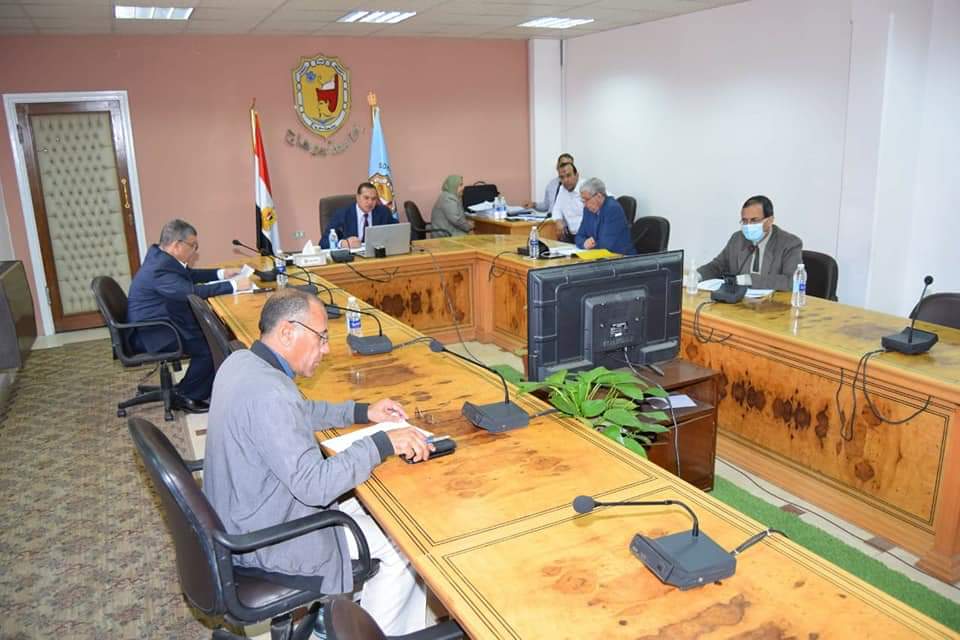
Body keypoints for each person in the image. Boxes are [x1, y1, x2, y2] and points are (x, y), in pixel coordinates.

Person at [203, 289, 432, 635]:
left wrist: (361, 412)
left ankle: (348, 618)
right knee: (405, 545)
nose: (325, 349)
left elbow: (298, 411)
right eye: (321, 337)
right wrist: (383, 443)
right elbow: (315, 485)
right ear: (287, 332)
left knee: (380, 512)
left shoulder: (242, 362)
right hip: (267, 540)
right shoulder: (270, 393)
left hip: (243, 514)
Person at [127, 219, 250, 411]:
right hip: (153, 332)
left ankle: (193, 388)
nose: (195, 251)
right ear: (177, 245)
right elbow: (191, 292)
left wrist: (221, 274)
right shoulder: (159, 268)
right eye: (193, 246)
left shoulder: (161, 258)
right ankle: (187, 396)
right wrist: (234, 285)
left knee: (214, 334)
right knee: (211, 345)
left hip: (160, 322)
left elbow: (188, 276)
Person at [698, 195, 802, 291]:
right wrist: (698, 275)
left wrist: (750, 280)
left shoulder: (789, 243)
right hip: (739, 300)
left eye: (754, 220)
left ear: (769, 221)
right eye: (744, 221)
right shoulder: (737, 239)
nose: (748, 225)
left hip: (773, 302)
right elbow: (717, 266)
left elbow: (792, 281)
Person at [321, 182, 395, 249]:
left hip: (377, 255)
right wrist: (342, 244)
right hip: (352, 257)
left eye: (373, 199)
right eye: (366, 198)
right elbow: (323, 242)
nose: (370, 202)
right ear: (357, 197)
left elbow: (397, 232)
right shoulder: (342, 214)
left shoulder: (383, 212)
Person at [575, 178, 636, 255]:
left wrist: (589, 245)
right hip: (598, 256)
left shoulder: (612, 209)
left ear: (599, 196)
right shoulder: (587, 210)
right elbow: (579, 236)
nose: (585, 204)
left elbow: (606, 245)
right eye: (583, 201)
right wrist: (584, 244)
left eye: (587, 200)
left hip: (620, 257)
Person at [550, 161, 583, 239]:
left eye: (568, 175)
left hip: (586, 236)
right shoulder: (562, 189)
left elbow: (608, 200)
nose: (565, 180)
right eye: (562, 177)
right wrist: (558, 220)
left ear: (577, 175)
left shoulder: (586, 187)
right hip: (570, 235)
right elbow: (557, 208)